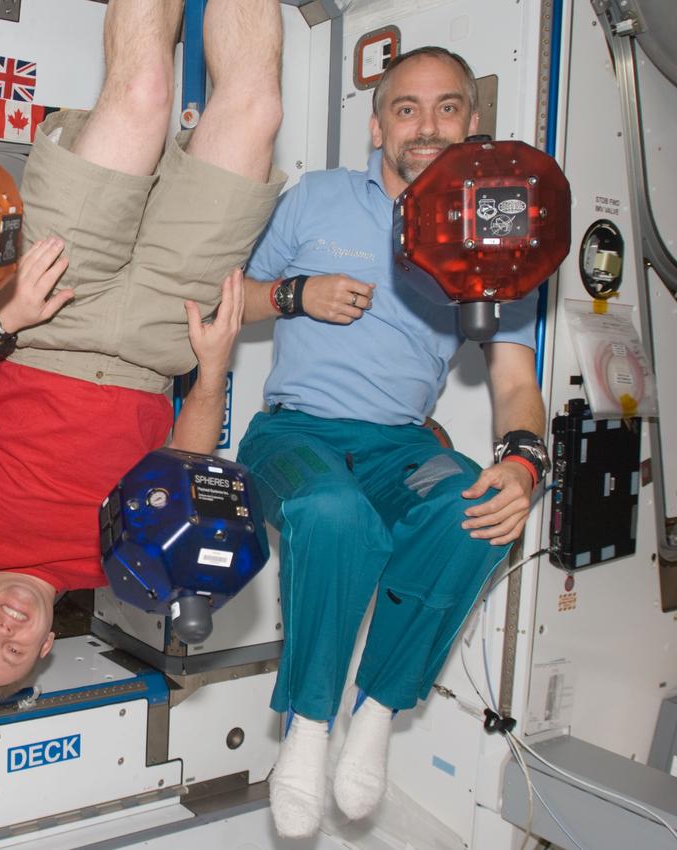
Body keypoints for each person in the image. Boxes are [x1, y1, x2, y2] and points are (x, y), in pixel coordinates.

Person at [0, 0, 285, 698]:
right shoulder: (125, 567)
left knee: (143, 91)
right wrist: (210, 373)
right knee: (256, 111)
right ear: (48, 647)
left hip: (51, 318)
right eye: (17, 649)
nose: (7, 628)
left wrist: (6, 318)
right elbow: (186, 470)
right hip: (159, 343)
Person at [234, 46, 549, 838]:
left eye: (448, 107)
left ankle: (373, 710)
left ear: (473, 122)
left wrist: (526, 462)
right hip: (293, 432)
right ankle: (309, 727)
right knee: (337, 515)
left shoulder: (496, 227)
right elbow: (226, 299)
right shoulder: (317, 199)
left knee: (473, 505)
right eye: (406, 108)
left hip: (400, 444)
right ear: (378, 126)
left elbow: (515, 381)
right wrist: (296, 294)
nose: (427, 125)